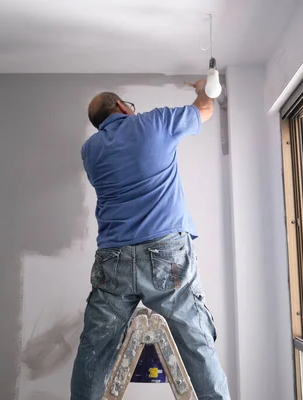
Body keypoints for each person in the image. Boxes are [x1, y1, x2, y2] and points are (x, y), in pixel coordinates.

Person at [71, 79, 231, 400]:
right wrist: (202, 88)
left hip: (112, 260)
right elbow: (205, 109)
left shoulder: (90, 151)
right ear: (121, 106)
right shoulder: (152, 123)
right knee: (194, 340)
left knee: (95, 347)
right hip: (165, 255)